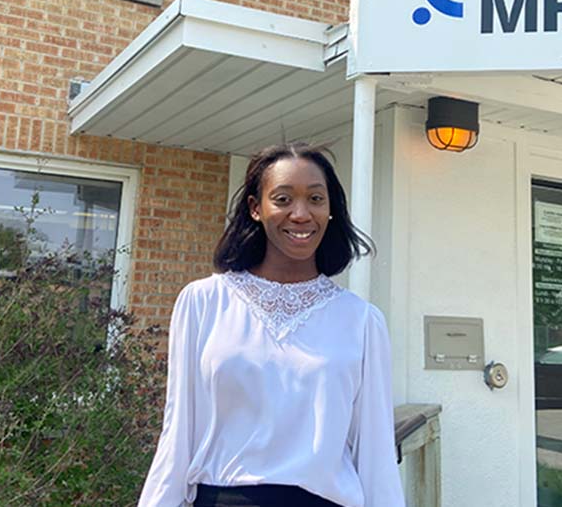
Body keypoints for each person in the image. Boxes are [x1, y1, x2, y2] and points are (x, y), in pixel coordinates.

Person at [138, 143, 405, 507]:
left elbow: (376, 456)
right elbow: (178, 431)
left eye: (315, 198)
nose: (300, 213)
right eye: (282, 199)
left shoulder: (361, 321)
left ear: (330, 212)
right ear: (256, 208)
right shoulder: (203, 302)